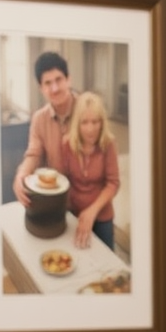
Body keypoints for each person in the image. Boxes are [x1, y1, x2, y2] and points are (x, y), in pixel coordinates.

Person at [12, 51, 77, 208]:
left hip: (88, 200)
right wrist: (21, 174)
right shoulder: (39, 118)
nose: (54, 88)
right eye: (47, 83)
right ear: (41, 88)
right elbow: (33, 154)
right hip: (56, 201)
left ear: (68, 79)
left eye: (58, 80)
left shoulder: (88, 109)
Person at [60, 90, 120, 251]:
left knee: (108, 266)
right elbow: (64, 180)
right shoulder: (67, 144)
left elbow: (113, 183)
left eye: (95, 122)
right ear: (77, 123)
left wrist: (92, 211)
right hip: (74, 215)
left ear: (102, 122)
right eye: (84, 122)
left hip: (102, 216)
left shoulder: (109, 144)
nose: (90, 129)